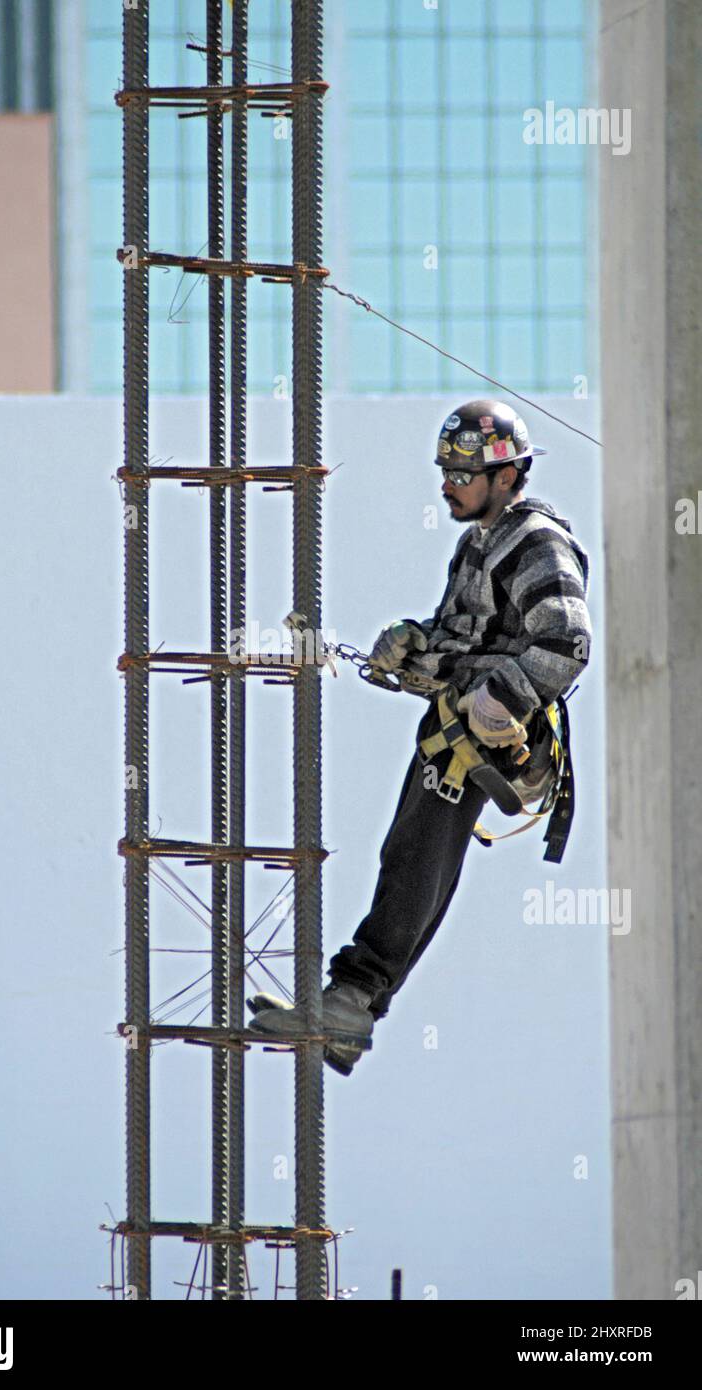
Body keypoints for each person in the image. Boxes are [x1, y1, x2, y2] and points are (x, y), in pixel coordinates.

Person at [248, 399, 592, 1075]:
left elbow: (567, 640)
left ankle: (352, 1002)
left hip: (487, 741)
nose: (448, 484)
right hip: (455, 731)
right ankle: (349, 1008)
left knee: (417, 860)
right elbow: (463, 644)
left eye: (463, 472)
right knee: (409, 855)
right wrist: (413, 650)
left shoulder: (537, 542)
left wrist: (503, 699)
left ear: (506, 475)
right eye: (445, 470)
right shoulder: (477, 547)